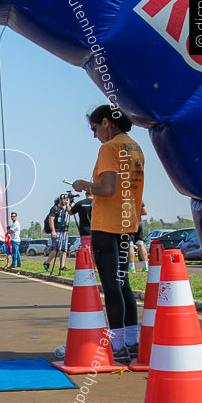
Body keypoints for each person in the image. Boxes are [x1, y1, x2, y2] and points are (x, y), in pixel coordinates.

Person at [72, 105, 145, 363]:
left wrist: (84, 185)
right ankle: (132, 342)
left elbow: (108, 188)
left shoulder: (109, 148)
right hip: (128, 225)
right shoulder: (135, 147)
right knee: (123, 283)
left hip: (107, 226)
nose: (95, 136)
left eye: (94, 129)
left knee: (111, 287)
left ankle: (117, 346)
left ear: (106, 123)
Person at [43, 195, 72, 273]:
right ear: (61, 200)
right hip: (57, 231)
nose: (66, 201)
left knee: (64, 249)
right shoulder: (55, 208)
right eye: (65, 200)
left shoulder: (63, 209)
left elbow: (69, 213)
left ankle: (62, 266)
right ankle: (47, 262)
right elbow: (51, 220)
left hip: (63, 231)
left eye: (67, 200)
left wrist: (68, 205)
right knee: (56, 249)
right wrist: (53, 231)